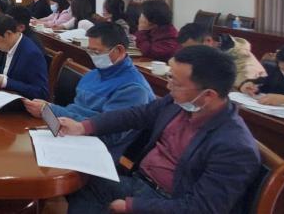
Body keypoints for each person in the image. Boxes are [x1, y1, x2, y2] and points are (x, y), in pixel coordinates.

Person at [62, 45, 261, 214]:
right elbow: (135, 115)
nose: (168, 86)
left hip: (169, 201)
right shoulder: (180, 102)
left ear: (208, 95)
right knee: (83, 181)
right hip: (140, 182)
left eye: (176, 83)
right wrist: (83, 126)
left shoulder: (234, 146)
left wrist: (132, 206)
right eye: (170, 77)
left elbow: (201, 208)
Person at [22, 23, 154, 158]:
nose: (92, 56)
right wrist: (49, 113)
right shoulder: (94, 74)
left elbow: (109, 134)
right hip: (69, 137)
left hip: (98, 152)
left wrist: (51, 111)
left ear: (119, 50)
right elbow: (75, 109)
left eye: (96, 52)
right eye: (89, 51)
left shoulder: (134, 89)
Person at [0, 10, 49, 99]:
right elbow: (12, 72)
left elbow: (41, 93)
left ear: (8, 34)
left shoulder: (31, 54)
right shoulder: (11, 44)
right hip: (6, 95)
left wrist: (6, 83)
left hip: (20, 103)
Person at [177, 23, 265, 88]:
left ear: (208, 41)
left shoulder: (241, 57)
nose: (190, 54)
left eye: (193, 49)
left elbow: (242, 88)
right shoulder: (207, 53)